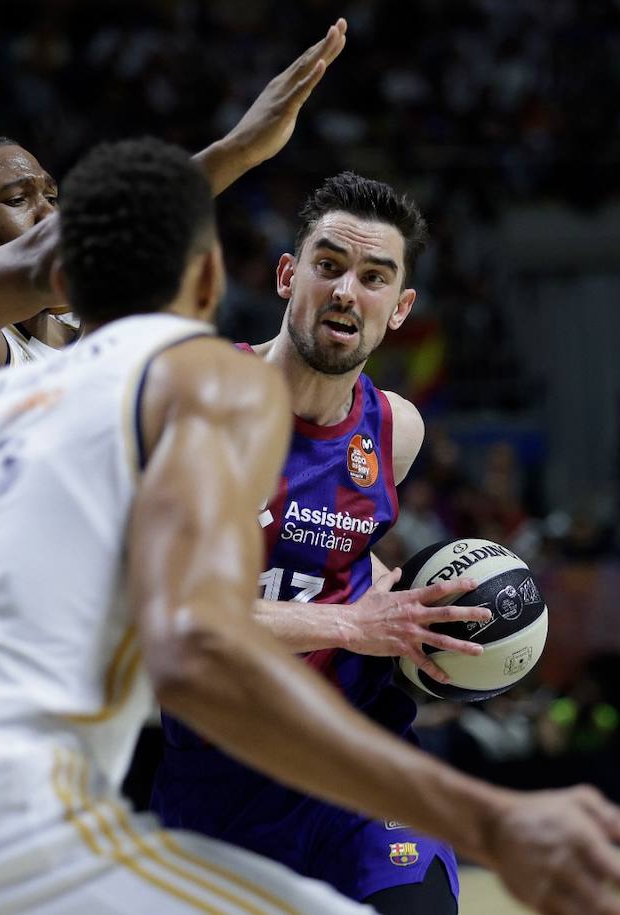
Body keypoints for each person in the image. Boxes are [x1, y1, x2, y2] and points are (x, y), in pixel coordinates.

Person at [0, 138, 620, 915]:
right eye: (326, 265)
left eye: (56, 199)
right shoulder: (138, 381)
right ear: (236, 280)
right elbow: (193, 645)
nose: (345, 292)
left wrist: (373, 595)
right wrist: (491, 812)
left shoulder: (46, 378)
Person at [0, 20, 350, 741]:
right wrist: (235, 153)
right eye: (19, 198)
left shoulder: (84, 347)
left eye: (53, 193)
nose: (51, 210)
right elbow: (55, 258)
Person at [151, 172, 493, 913]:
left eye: (374, 278)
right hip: (222, 779)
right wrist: (354, 623)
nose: (347, 291)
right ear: (287, 275)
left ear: (399, 308)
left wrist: (413, 613)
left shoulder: (396, 429)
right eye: (329, 265)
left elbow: (339, 557)